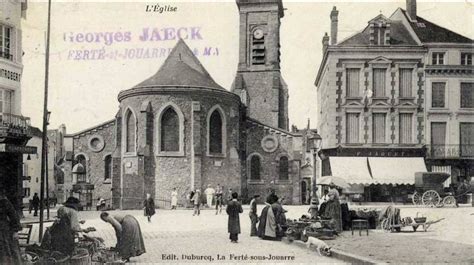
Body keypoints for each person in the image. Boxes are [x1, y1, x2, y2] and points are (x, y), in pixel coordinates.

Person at [0, 186, 22, 264]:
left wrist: (15, 231)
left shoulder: (4, 202)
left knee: (7, 253)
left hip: (4, 233)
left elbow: (14, 217)